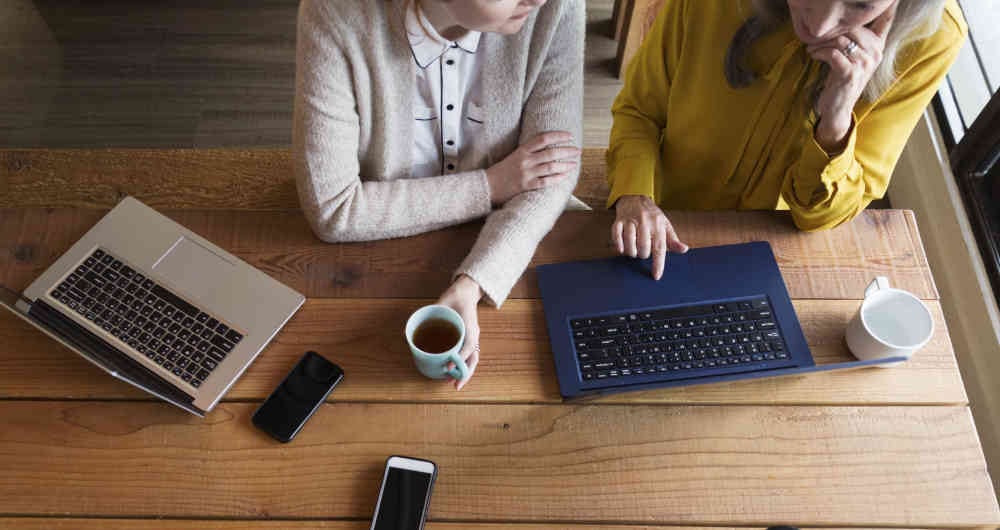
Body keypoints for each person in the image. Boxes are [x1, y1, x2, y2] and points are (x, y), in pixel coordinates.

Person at [294, 0, 585, 389]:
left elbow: (551, 176)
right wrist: (492, 185)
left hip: (514, 255)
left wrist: (474, 281)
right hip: (371, 264)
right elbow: (334, 210)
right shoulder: (334, 13)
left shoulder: (556, 7)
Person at [607, 0, 966, 279]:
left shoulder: (933, 40)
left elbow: (822, 217)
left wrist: (836, 119)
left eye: (860, 4)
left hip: (783, 247)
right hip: (667, 209)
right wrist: (634, 194)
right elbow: (640, 111)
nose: (820, 25)